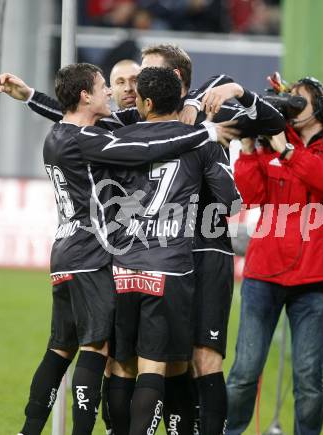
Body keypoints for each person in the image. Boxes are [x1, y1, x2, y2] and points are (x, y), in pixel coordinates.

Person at [0, 45, 285, 435]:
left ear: (176, 79)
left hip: (159, 256)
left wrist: (239, 92)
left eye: (142, 76)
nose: (130, 88)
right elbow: (78, 124)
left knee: (184, 359)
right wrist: (208, 140)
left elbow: (274, 117)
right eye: (120, 82)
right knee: (157, 360)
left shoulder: (207, 102)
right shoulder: (151, 127)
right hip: (174, 258)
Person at [222, 75, 323, 435]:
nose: (291, 105)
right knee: (243, 373)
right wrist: (250, 149)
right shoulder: (271, 146)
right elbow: (250, 196)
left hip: (313, 282)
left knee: (309, 380)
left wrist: (287, 152)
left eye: (300, 100)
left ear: (322, 110)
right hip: (262, 275)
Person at [106, 65, 240, 435]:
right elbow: (230, 203)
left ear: (144, 102)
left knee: (120, 366)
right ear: (181, 99)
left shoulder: (120, 138)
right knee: (162, 367)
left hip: (123, 266)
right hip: (170, 270)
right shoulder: (202, 142)